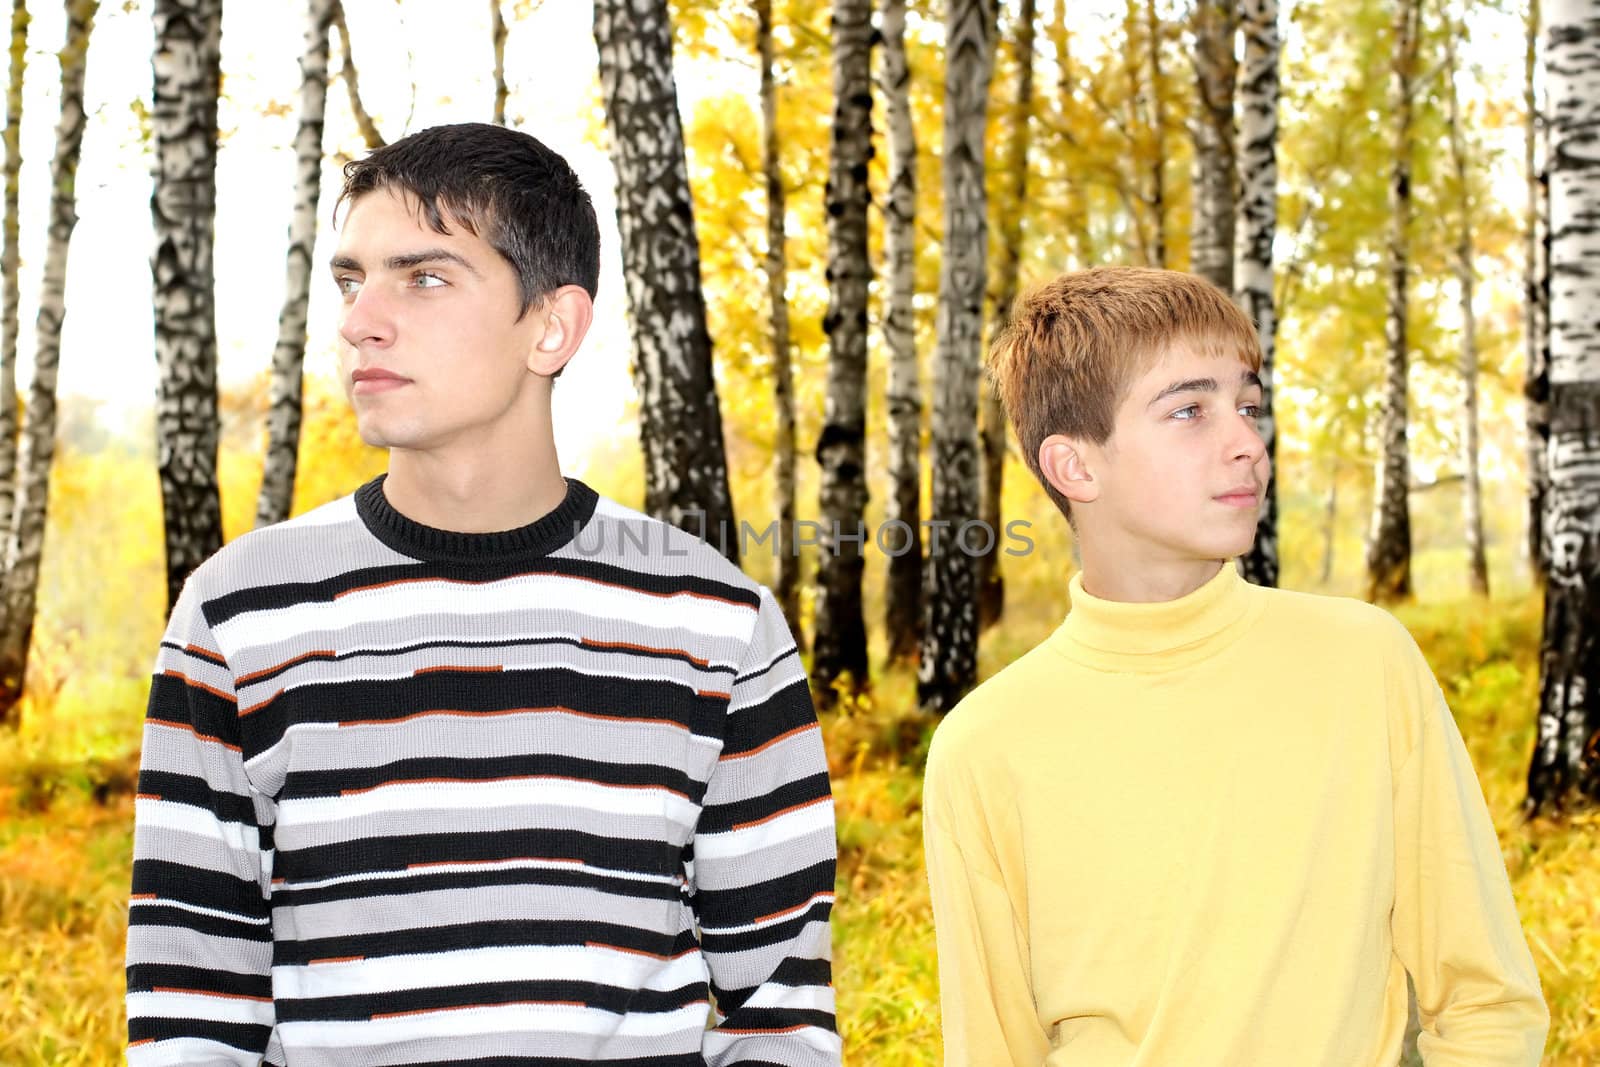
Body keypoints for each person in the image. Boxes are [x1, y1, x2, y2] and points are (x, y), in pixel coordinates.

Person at [125, 122, 839, 1066]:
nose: (359, 321)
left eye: (423, 277)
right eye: (350, 280)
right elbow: (189, 1019)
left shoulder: (718, 623)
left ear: (551, 325)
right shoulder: (239, 613)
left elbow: (780, 1015)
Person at [922, 267, 1548, 1066]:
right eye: (1190, 409)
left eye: (1247, 406)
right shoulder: (985, 746)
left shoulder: (1363, 662)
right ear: (1076, 466)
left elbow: (1486, 998)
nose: (1249, 441)